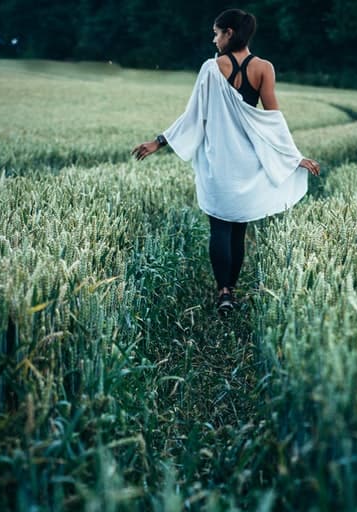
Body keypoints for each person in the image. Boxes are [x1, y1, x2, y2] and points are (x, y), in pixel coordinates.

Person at [132, 8, 321, 313]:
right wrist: (293, 157)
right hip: (248, 162)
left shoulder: (210, 68)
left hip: (218, 161)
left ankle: (223, 292)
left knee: (219, 227)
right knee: (239, 228)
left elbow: (194, 115)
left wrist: (159, 141)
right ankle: (231, 291)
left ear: (229, 33)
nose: (214, 38)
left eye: (217, 32)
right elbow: (272, 120)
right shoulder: (264, 68)